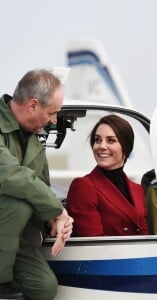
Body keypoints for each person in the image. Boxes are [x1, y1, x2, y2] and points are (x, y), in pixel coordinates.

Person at [0, 69, 74, 300]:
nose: (53, 120)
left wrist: (56, 219)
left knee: (44, 287)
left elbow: (41, 185)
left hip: (11, 238)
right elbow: (12, 175)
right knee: (17, 205)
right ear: (32, 105)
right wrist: (56, 209)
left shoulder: (33, 139)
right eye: (52, 113)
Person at [67, 114, 149, 236]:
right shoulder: (83, 187)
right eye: (97, 140)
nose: (102, 146)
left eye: (111, 140)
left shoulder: (137, 190)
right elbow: (95, 244)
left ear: (125, 147)